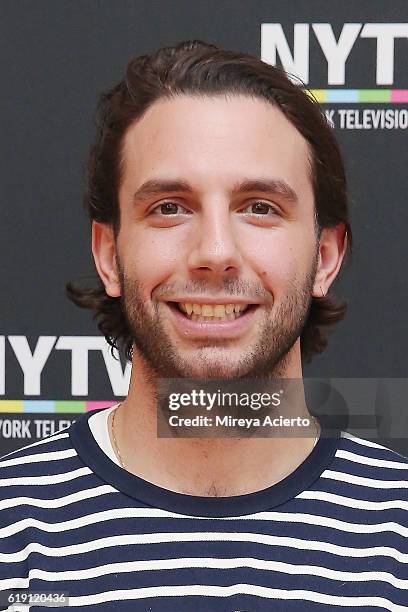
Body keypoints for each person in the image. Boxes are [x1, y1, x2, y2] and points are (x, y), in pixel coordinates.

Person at [1, 40, 407, 611]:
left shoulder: (398, 535)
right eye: (170, 207)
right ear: (109, 253)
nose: (215, 252)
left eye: (260, 206)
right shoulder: (12, 528)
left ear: (325, 257)